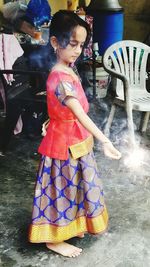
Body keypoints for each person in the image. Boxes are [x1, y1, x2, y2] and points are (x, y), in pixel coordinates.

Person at [28, 10, 121, 258]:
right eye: (72, 44)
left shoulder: (67, 68)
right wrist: (105, 140)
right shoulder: (61, 77)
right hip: (64, 148)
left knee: (75, 187)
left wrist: (52, 117)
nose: (78, 50)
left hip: (74, 141)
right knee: (63, 191)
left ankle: (71, 226)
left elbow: (62, 107)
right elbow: (79, 113)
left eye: (81, 44)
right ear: (55, 42)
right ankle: (54, 240)